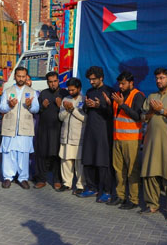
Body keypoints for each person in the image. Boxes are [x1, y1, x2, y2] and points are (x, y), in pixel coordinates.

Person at [140, 68, 167, 217]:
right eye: (157, 78)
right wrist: (152, 111)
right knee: (150, 173)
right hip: (151, 141)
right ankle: (152, 205)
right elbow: (143, 118)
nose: (159, 81)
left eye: (162, 78)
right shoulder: (151, 96)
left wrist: (162, 110)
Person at [109, 71, 145, 210]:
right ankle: (120, 196)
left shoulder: (138, 96)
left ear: (131, 83)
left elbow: (137, 116)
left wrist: (122, 104)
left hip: (132, 140)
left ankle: (134, 199)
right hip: (117, 138)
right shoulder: (118, 95)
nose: (121, 86)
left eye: (123, 83)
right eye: (119, 83)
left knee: (132, 171)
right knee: (118, 170)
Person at [0, 67, 39, 189]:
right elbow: (1, 108)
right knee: (8, 152)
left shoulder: (32, 92)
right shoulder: (7, 91)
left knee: (23, 153)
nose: (21, 78)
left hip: (24, 128)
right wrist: (9, 106)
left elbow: (36, 109)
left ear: (26, 77)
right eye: (18, 76)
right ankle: (8, 177)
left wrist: (30, 105)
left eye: (23, 76)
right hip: (10, 127)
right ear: (15, 76)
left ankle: (23, 178)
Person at [79, 66, 114, 202]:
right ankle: (91, 188)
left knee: (103, 162)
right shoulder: (89, 91)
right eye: (90, 80)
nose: (92, 82)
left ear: (101, 78)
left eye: (94, 79)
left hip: (104, 131)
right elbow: (85, 109)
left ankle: (107, 191)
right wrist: (87, 105)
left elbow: (112, 113)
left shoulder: (109, 92)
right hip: (90, 130)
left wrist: (100, 105)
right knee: (88, 159)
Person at [34, 71, 68, 189]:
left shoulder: (64, 93)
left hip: (58, 129)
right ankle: (41, 179)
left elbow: (69, 112)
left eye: (55, 81)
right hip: (44, 129)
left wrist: (61, 106)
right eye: (50, 82)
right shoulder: (43, 93)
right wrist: (42, 106)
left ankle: (57, 180)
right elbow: (36, 111)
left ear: (58, 81)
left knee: (56, 154)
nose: (53, 84)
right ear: (47, 82)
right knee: (42, 154)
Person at [57, 77, 86, 194]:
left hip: (78, 137)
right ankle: (66, 183)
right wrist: (66, 110)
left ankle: (80, 185)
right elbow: (60, 117)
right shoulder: (65, 99)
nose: (71, 92)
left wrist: (73, 110)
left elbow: (85, 118)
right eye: (69, 90)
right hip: (66, 136)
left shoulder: (84, 100)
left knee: (79, 163)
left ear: (79, 88)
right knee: (65, 160)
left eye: (73, 90)